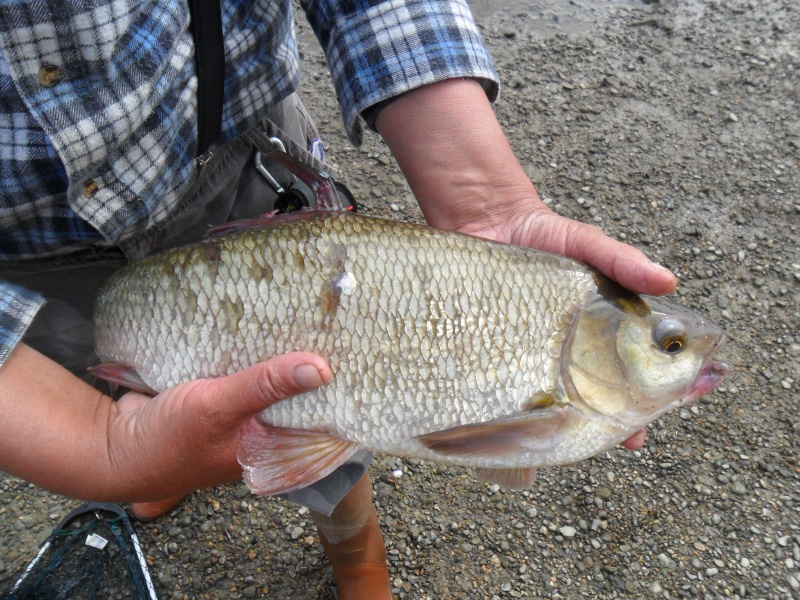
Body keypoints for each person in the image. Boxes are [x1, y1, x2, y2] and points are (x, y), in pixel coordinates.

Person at [0, 1, 675, 598]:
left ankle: (352, 545)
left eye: (665, 344)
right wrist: (100, 446)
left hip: (240, 166)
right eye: (666, 344)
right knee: (130, 384)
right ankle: (158, 457)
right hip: (25, 262)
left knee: (338, 411)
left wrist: (484, 197)